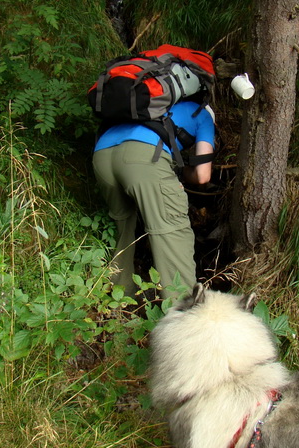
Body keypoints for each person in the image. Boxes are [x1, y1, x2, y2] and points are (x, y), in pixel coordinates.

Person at [92, 99, 215, 299]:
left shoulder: (152, 102)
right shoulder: (204, 115)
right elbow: (202, 175)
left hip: (102, 154)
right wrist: (181, 173)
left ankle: (118, 300)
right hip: (143, 156)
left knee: (121, 228)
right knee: (171, 231)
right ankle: (182, 312)